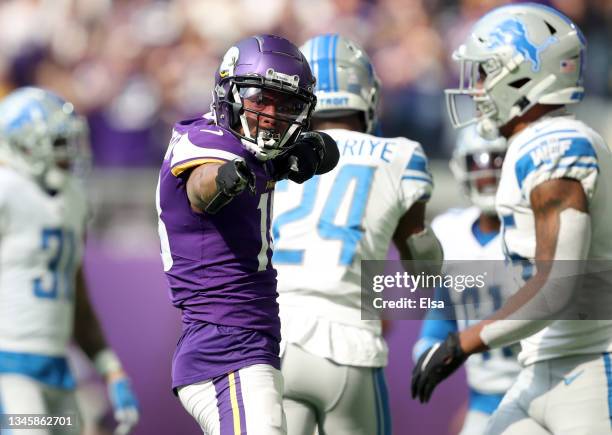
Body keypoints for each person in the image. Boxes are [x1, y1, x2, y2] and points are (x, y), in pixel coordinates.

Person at [412, 4, 612, 434]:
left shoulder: (558, 145)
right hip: (541, 366)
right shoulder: (531, 144)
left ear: (522, 76)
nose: (478, 88)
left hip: (592, 365)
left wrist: (462, 344)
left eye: (485, 72)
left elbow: (557, 285)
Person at [156, 34, 339, 435]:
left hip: (248, 341)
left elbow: (322, 151)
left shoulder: (249, 147)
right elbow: (201, 187)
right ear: (229, 92)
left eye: (287, 105)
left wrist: (297, 157)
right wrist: (223, 180)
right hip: (224, 346)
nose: (272, 115)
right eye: (261, 100)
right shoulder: (208, 141)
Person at [273, 34, 441, 435]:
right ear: (367, 94)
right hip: (347, 345)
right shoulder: (400, 156)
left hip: (272, 341)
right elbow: (425, 270)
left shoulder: (271, 157)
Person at [0, 87, 139, 434]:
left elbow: (76, 294)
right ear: (23, 145)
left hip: (58, 370)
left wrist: (110, 367)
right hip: (10, 367)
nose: (68, 155)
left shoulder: (72, 199)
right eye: (57, 144)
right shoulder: (6, 191)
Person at [412, 125, 521, 434]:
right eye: (478, 162)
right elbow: (443, 313)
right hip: (483, 400)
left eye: (498, 162)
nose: (488, 173)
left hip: (544, 388)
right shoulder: (449, 231)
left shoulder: (536, 231)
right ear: (461, 167)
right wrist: (429, 350)